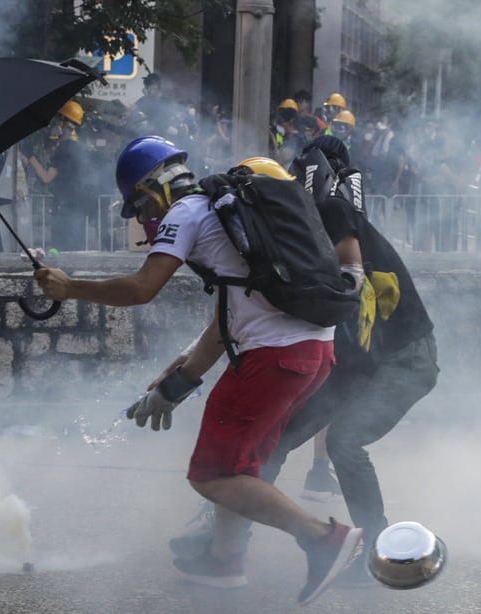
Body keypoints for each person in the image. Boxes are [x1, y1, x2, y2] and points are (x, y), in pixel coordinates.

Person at [34, 137, 364, 606]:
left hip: (273, 359)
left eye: (143, 203)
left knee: (211, 474)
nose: (146, 215)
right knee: (242, 468)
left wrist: (70, 288)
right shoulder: (226, 212)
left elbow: (142, 288)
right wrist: (182, 379)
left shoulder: (186, 213)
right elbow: (232, 315)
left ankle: (325, 539)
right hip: (314, 353)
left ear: (157, 185)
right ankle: (223, 561)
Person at [170, 137, 439, 585]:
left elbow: (342, 271)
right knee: (270, 443)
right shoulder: (305, 231)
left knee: (345, 442)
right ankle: (225, 543)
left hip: (400, 359)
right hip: (350, 363)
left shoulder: (332, 218)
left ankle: (374, 550)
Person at [23, 100, 92, 251]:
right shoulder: (77, 149)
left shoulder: (64, 149)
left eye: (57, 121)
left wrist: (30, 156)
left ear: (65, 126)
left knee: (61, 249)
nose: (53, 126)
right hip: (77, 207)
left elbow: (46, 178)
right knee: (75, 250)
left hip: (64, 207)